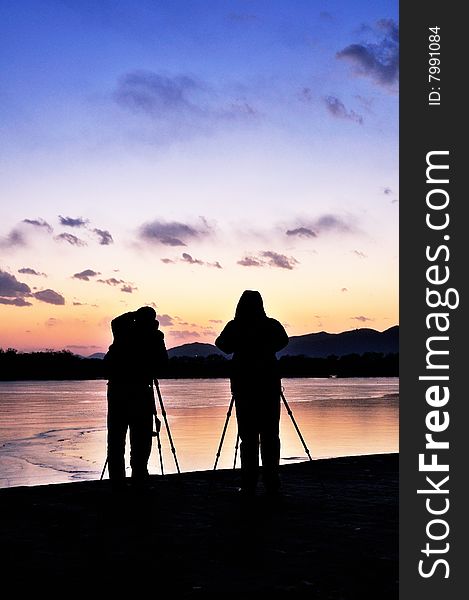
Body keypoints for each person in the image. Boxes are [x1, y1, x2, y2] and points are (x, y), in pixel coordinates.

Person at [215, 290, 289, 495]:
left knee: (248, 437)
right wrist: (266, 347)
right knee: (270, 435)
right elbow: (284, 341)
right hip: (268, 387)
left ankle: (249, 482)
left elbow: (221, 345)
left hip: (244, 387)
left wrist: (241, 343)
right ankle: (271, 480)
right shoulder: (271, 324)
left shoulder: (235, 326)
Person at [103, 306, 168, 489]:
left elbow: (116, 322)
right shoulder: (154, 336)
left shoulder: (124, 331)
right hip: (140, 392)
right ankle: (139, 476)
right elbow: (164, 364)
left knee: (117, 438)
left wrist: (133, 315)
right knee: (141, 438)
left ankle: (118, 481)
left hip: (118, 391)